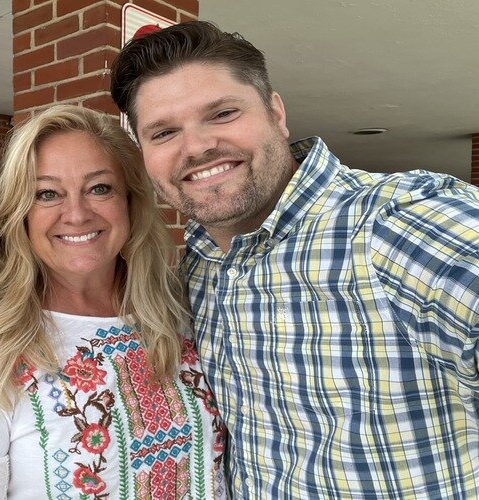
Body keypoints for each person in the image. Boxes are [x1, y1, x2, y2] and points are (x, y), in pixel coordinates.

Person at [109, 19, 479, 498]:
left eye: (221, 113)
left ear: (276, 113)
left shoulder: (393, 225)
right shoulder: (198, 263)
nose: (197, 147)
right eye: (163, 132)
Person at [0, 105, 227, 499]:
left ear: (130, 201)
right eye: (47, 194)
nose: (75, 214)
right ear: (19, 213)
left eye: (99, 188)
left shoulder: (181, 312)